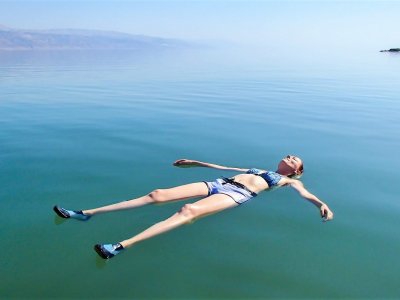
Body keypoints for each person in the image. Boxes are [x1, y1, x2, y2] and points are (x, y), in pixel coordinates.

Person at [53, 155, 334, 259]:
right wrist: (195, 163)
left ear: (296, 170)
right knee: (157, 194)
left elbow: (306, 193)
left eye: (294, 159)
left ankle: (120, 246)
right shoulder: (260, 167)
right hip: (219, 182)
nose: (289, 156)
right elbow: (225, 167)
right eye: (289, 155)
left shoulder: (287, 181)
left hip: (240, 194)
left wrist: (321, 204)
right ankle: (85, 214)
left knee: (188, 212)